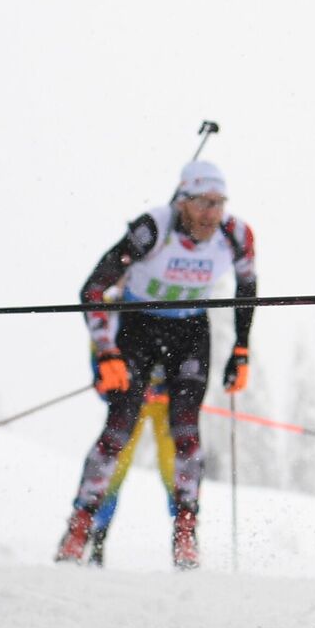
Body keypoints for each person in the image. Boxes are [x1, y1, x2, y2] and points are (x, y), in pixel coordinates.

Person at [54, 160, 257, 570]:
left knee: (186, 429)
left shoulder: (235, 235)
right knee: (120, 426)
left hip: (191, 334)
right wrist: (107, 352)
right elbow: (93, 288)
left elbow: (247, 289)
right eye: (202, 202)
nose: (210, 214)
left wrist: (241, 349)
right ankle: (81, 523)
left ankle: (186, 531)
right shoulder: (152, 229)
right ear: (182, 201)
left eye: (218, 203)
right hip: (138, 329)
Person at [82, 347, 177, 568]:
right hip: (133, 394)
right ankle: (97, 534)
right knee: (115, 466)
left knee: (173, 466)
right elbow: (102, 338)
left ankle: (185, 533)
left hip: (166, 402)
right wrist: (102, 375)